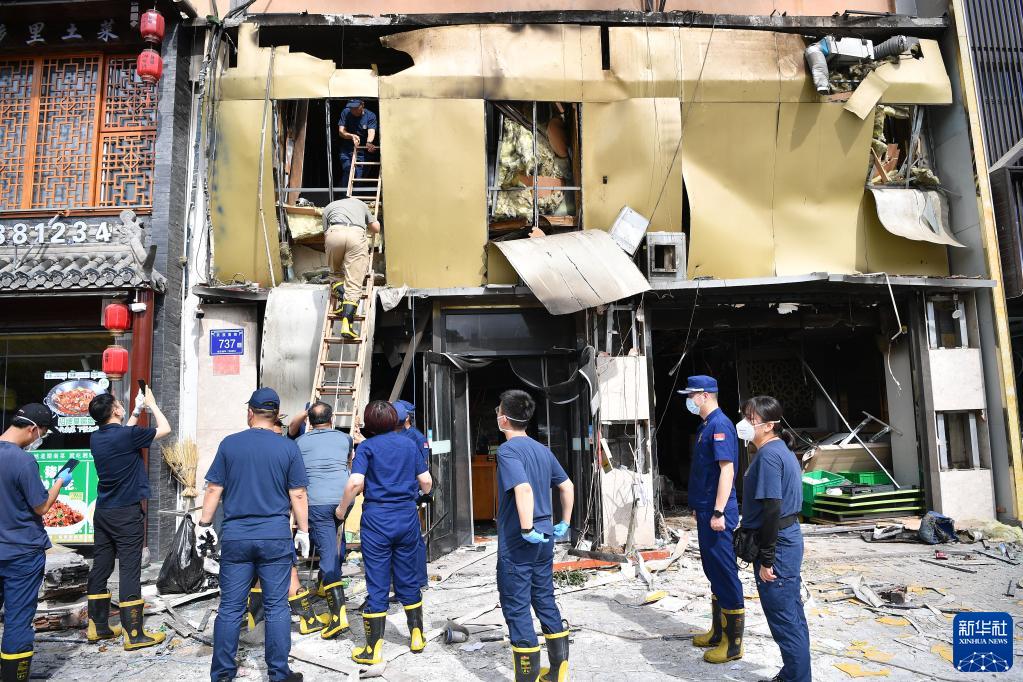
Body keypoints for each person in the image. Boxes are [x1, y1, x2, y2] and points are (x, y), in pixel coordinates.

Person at [197, 388, 310, 682]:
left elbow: (214, 488)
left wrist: (204, 524)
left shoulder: (230, 444)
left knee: (230, 608)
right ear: (276, 415)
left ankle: (222, 674)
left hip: (236, 537)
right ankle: (279, 674)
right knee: (277, 607)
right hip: (275, 537)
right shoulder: (288, 448)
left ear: (250, 413)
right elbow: (298, 493)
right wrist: (304, 531)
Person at [336, 401, 431, 664]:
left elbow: (355, 482)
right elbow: (426, 481)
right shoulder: (409, 444)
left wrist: (342, 510)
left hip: (377, 519)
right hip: (406, 516)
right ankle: (417, 635)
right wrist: (419, 495)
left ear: (369, 423)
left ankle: (373, 649)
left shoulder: (366, 447)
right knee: (408, 576)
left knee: (377, 580)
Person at [494, 390, 574, 682]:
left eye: (498, 410)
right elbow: (567, 486)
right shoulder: (542, 450)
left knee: (516, 606)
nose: (496, 414)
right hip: (546, 537)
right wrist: (564, 522)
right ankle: (557, 670)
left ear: (504, 418)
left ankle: (526, 677)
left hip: (520, 539)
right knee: (543, 597)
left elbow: (523, 489)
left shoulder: (507, 451)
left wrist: (526, 528)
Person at [86, 387, 172, 651]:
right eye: (119, 404)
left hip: (104, 511)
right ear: (114, 410)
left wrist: (135, 410)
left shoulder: (96, 438)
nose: (122, 406)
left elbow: (123, 435)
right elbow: (165, 429)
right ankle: (134, 633)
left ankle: (97, 627)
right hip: (126, 513)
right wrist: (152, 405)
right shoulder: (126, 436)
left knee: (101, 565)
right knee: (130, 569)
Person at [738, 396, 810, 682]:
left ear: (768, 425)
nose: (744, 423)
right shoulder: (778, 450)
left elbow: (771, 509)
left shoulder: (769, 455)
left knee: (785, 621)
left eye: (750, 418)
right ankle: (793, 674)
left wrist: (767, 559)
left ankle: (796, 678)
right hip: (784, 539)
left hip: (777, 545)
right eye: (744, 416)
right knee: (791, 615)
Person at [0, 404, 72, 682]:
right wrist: (59, 483)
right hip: (22, 552)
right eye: (42, 433)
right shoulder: (23, 461)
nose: (40, 438)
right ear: (32, 429)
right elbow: (41, 507)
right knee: (18, 619)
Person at [679, 375, 744, 664]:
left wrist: (718, 511)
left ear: (704, 395)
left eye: (691, 395)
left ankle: (733, 644)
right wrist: (700, 506)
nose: (689, 401)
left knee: (724, 571)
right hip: (706, 509)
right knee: (713, 570)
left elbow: (727, 471)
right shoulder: (706, 425)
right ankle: (718, 631)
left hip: (718, 512)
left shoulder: (720, 425)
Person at [288, 401, 353, 639]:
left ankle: (338, 616)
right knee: (332, 544)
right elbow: (348, 463)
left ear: (308, 421)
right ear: (332, 418)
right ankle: (326, 584)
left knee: (328, 557)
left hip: (318, 504)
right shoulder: (345, 439)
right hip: (344, 501)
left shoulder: (299, 442)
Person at [321, 192, 381, 338]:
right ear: (349, 197)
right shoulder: (360, 204)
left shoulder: (328, 207)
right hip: (356, 234)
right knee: (354, 283)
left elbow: (325, 233)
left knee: (335, 273)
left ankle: (342, 301)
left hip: (334, 234)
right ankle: (347, 324)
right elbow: (376, 228)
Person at [392, 400, 430, 588]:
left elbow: (422, 469)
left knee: (413, 539)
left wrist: (420, 492)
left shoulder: (416, 437)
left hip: (409, 493)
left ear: (407, 417)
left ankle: (419, 579)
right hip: (396, 494)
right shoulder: (391, 436)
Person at [337, 99, 377, 182]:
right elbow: (341, 131)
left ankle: (355, 190)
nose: (353, 110)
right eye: (351, 108)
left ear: (362, 105)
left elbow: (371, 131)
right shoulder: (346, 112)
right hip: (347, 149)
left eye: (355, 108)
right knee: (348, 171)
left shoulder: (370, 115)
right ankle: (343, 190)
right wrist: (351, 136)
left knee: (359, 176)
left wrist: (369, 142)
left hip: (363, 150)